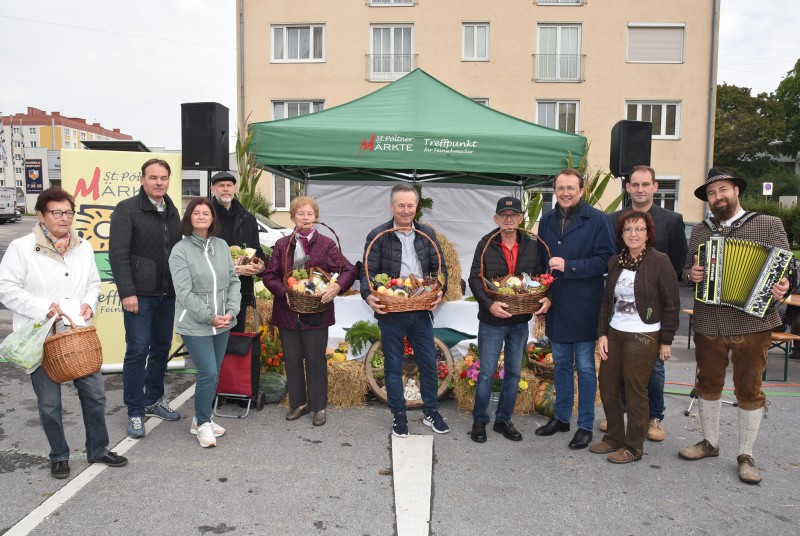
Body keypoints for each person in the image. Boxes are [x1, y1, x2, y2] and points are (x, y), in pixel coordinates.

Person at [0, 187, 127, 478]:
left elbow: (94, 283)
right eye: (56, 212)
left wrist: (88, 303)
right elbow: (6, 289)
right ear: (41, 215)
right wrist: (44, 307)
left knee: (95, 396)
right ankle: (59, 455)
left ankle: (98, 450)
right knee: (49, 404)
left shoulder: (82, 247)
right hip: (41, 337)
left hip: (76, 335)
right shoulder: (22, 248)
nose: (64, 218)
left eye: (68, 212)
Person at [679, 168, 789, 484]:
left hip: (753, 321)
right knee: (708, 380)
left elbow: (787, 270)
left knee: (749, 387)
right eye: (712, 194)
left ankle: (746, 455)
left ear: (736, 191)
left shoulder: (768, 225)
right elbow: (687, 271)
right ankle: (710, 443)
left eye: (723, 190)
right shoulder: (701, 230)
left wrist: (785, 286)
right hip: (709, 320)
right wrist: (692, 276)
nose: (718, 197)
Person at [604, 165, 688, 442]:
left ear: (655, 187)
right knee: (620, 368)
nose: (640, 189)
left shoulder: (672, 220)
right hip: (621, 308)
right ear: (627, 188)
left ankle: (655, 417)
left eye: (645, 184)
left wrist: (657, 293)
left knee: (654, 369)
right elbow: (612, 259)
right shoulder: (615, 218)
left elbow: (677, 264)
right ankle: (624, 414)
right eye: (635, 184)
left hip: (654, 309)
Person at [535, 168, 616, 449]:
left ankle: (584, 425)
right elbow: (541, 263)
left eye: (571, 188)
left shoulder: (597, 220)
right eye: (561, 188)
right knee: (561, 366)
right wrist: (542, 295)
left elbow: (607, 260)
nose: (566, 193)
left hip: (584, 305)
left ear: (582, 191)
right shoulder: (545, 220)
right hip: (557, 305)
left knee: (584, 368)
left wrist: (570, 266)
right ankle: (561, 417)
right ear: (554, 191)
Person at [359, 184, 449, 438]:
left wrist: (440, 290)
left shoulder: (427, 234)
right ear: (391, 206)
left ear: (416, 207)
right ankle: (399, 415)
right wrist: (368, 295)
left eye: (410, 205)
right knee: (394, 364)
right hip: (391, 310)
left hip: (421, 309)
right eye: (401, 205)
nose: (406, 210)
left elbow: (441, 270)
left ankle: (431, 411)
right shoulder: (378, 235)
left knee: (429, 364)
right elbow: (367, 270)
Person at [591, 210, 680, 463]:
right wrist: (602, 334)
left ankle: (633, 447)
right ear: (621, 234)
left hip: (644, 334)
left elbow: (671, 303)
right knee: (608, 385)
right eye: (628, 229)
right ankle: (614, 437)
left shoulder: (659, 261)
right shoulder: (615, 262)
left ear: (648, 233)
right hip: (616, 332)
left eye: (638, 229)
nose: (633, 234)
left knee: (635, 390)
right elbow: (606, 303)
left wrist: (666, 340)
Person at [263, 196, 356, 426]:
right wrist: (282, 291)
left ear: (316, 217)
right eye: (300, 213)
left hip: (316, 312)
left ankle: (318, 407)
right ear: (293, 216)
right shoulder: (283, 245)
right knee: (292, 359)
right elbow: (269, 275)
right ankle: (299, 403)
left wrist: (337, 286)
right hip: (287, 312)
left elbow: (349, 270)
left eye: (310, 214)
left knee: (315, 359)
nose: (305, 218)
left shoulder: (326, 244)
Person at [109, 158, 183, 438]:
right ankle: (135, 411)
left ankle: (154, 399)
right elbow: (117, 255)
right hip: (139, 296)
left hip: (168, 294)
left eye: (163, 177)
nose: (159, 182)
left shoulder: (173, 212)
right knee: (137, 351)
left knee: (161, 349)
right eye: (153, 177)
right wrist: (127, 292)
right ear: (142, 180)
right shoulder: (127, 210)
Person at [467, 196, 550, 443]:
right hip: (492, 322)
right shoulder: (485, 244)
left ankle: (503, 420)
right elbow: (474, 279)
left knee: (514, 373)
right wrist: (490, 304)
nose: (509, 219)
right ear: (496, 218)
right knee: (486, 373)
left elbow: (543, 277)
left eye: (513, 215)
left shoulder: (533, 244)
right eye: (504, 215)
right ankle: (480, 421)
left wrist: (544, 297)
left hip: (520, 321)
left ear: (521, 218)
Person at [168, 198, 241, 448]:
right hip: (196, 323)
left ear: (212, 219)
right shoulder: (180, 250)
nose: (201, 216)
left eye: (206, 213)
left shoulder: (221, 246)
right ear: (189, 218)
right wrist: (210, 316)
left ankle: (201, 419)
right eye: (196, 213)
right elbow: (184, 293)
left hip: (223, 322)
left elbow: (233, 281)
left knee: (214, 372)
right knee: (208, 372)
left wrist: (231, 311)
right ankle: (203, 422)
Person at [209, 171, 267, 331]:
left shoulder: (247, 218)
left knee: (236, 335)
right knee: (213, 335)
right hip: (212, 289)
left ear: (234, 188)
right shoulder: (206, 215)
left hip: (241, 289)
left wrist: (260, 266)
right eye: (221, 186)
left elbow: (256, 251)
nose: (225, 189)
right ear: (213, 189)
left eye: (229, 185)